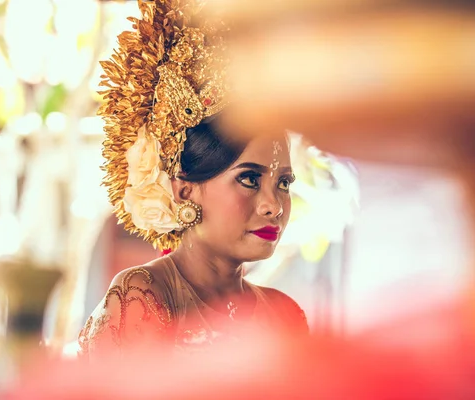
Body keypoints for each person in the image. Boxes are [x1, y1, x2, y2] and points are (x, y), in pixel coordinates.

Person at [78, 0, 307, 359]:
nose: (274, 206)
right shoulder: (144, 295)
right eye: (249, 179)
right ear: (184, 190)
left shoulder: (285, 316)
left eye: (284, 183)